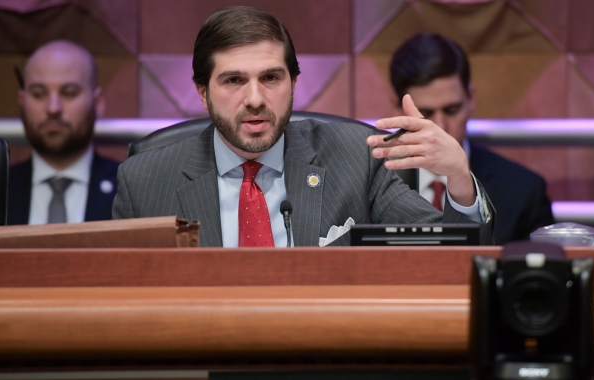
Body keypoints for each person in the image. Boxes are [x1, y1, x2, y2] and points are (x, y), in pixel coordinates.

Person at [112, 6, 494, 247]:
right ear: (202, 92)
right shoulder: (144, 181)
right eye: (233, 81)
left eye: (271, 78)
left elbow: (447, 257)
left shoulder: (355, 157)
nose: (256, 98)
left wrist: (459, 179)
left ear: (293, 84)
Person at [390, 32, 554, 244]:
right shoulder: (370, 189)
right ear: (397, 109)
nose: (440, 126)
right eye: (425, 113)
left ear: (471, 99)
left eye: (452, 109)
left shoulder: (523, 191)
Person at [8, 40, 119, 225]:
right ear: (22, 101)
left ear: (97, 103)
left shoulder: (128, 191)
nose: (53, 108)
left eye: (69, 93)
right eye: (38, 94)